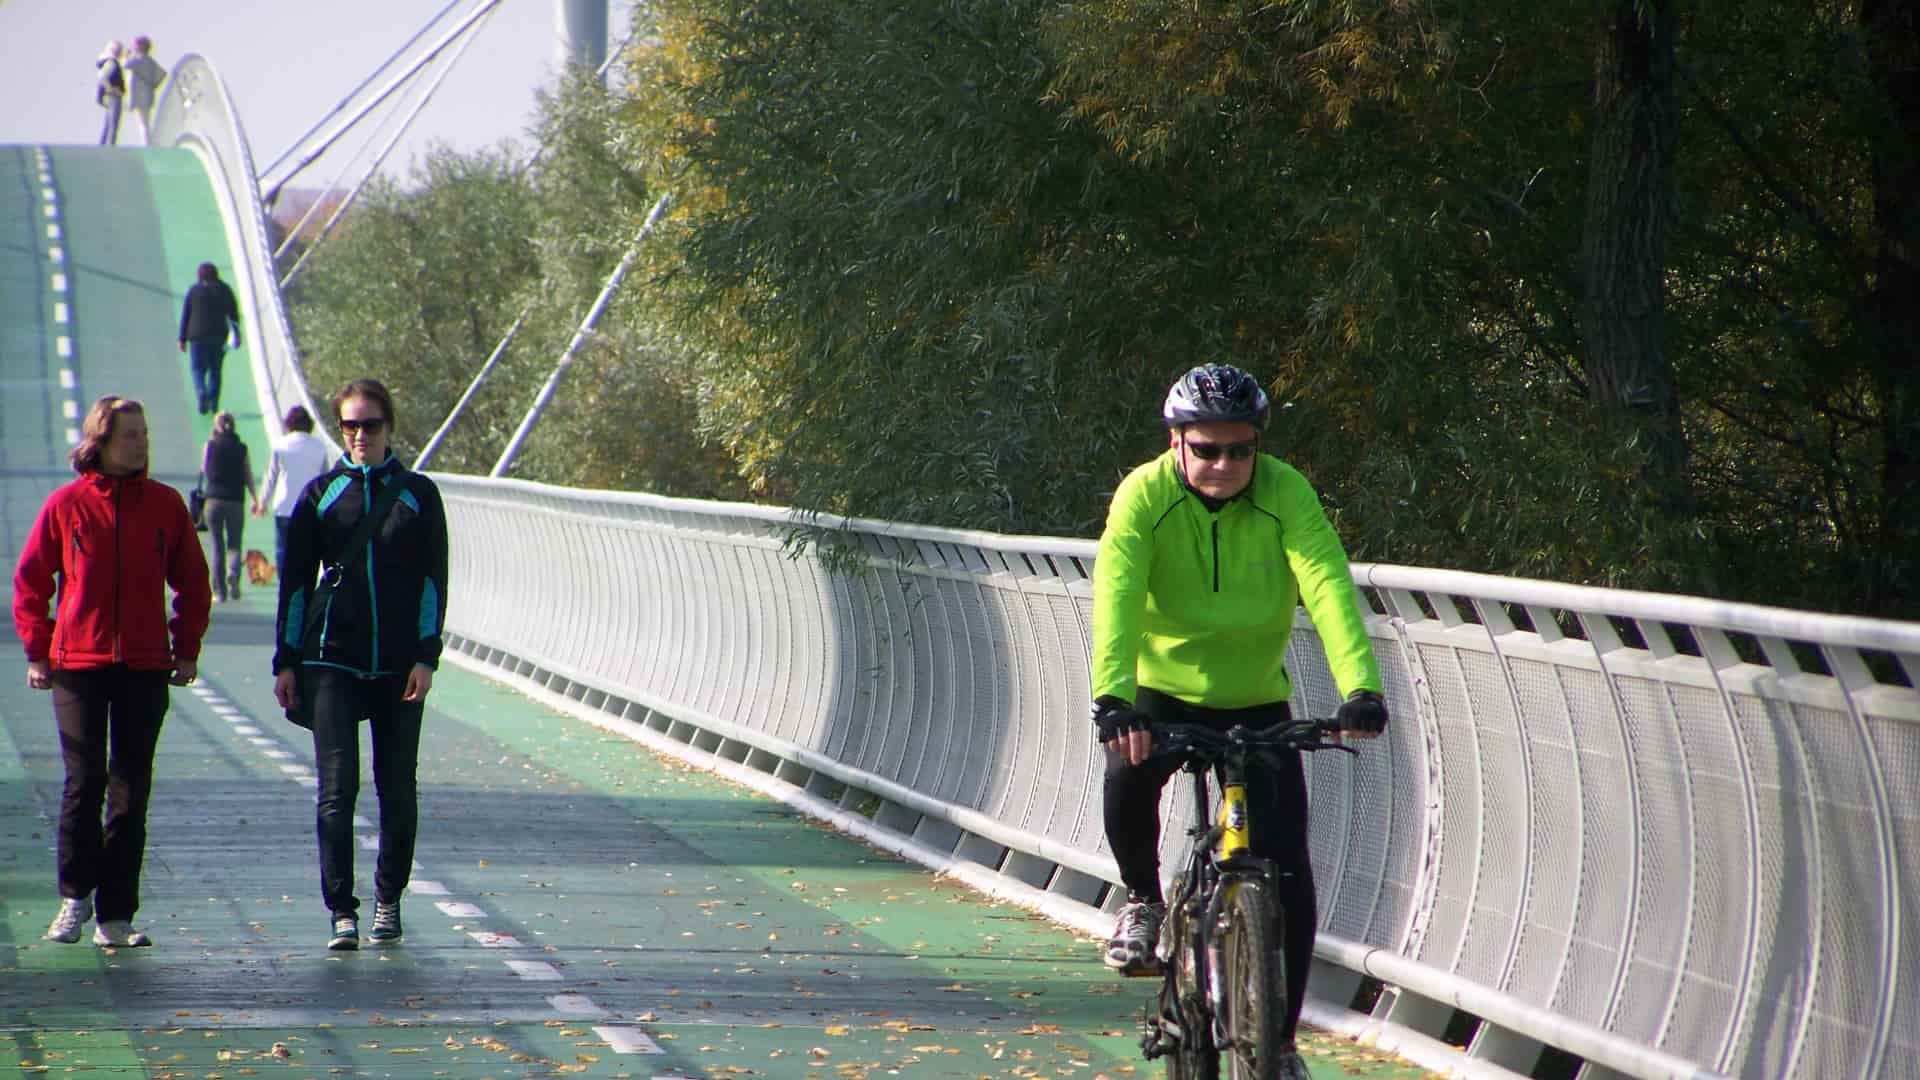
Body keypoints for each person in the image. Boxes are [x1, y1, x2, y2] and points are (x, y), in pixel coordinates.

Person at [1089, 363, 1389, 1079]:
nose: (1225, 465)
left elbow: (1326, 582)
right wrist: (1114, 698)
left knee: (1288, 870)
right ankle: (1141, 899)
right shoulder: (1144, 497)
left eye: (1241, 450)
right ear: (1176, 445)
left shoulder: (1286, 493)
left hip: (1256, 698)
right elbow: (1118, 594)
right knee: (1127, 775)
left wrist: (1362, 689)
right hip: (1163, 691)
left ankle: (1280, 1043)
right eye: (1207, 450)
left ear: (1259, 446)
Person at [13, 396, 212, 948]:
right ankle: (74, 898)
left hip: (146, 666)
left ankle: (115, 917)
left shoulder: (166, 506)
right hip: (79, 664)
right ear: (101, 441)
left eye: (144, 434)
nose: (141, 442)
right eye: (130, 435)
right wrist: (38, 649)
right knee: (84, 782)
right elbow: (32, 581)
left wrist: (186, 645)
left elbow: (193, 582)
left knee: (130, 789)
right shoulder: (67, 505)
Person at [273, 379, 448, 951]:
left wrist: (426, 657)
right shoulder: (322, 495)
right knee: (336, 789)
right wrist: (287, 660)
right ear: (339, 429)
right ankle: (341, 911)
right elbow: (297, 584)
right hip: (333, 661)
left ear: (389, 427)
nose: (360, 435)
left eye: (370, 424)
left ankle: (388, 899)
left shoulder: (418, 494)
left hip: (399, 665)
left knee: (397, 789)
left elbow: (432, 582)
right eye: (349, 425)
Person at [253, 405, 333, 578]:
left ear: (289, 424)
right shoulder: (319, 448)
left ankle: (285, 584)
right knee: (307, 550)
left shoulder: (280, 446)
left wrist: (262, 503)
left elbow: (271, 477)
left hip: (284, 506)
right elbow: (326, 480)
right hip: (309, 507)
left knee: (283, 548)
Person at [199, 411, 258, 603]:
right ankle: (233, 573)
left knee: (217, 545)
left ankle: (219, 592)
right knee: (234, 543)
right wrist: (255, 498)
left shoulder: (210, 445)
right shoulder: (242, 448)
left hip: (214, 500)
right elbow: (247, 474)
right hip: (236, 501)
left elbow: (204, 470)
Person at [178, 263, 242, 415]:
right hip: (219, 336)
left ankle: (201, 391)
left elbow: (186, 315)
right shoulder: (225, 290)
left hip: (197, 336)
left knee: (197, 369)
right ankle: (214, 403)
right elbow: (234, 315)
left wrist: (182, 338)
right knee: (216, 370)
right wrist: (237, 336)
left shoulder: (194, 291)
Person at [123, 36, 167, 146]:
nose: (133, 47)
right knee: (145, 122)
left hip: (139, 97)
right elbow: (161, 75)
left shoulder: (138, 59)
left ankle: (146, 144)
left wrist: (127, 55)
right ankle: (148, 143)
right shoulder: (150, 61)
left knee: (142, 123)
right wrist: (152, 85)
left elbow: (126, 64)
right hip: (147, 96)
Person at [95, 41, 126, 146]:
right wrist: (111, 88)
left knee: (109, 123)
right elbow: (102, 78)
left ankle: (104, 145)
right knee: (113, 124)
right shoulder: (112, 63)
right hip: (113, 96)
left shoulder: (109, 62)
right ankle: (110, 146)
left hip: (110, 96)